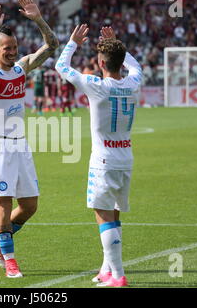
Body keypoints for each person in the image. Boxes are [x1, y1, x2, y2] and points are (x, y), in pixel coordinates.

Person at [0, 0, 58, 278]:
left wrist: (38, 19)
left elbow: (52, 46)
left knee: (30, 205)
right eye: (6, 48)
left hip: (21, 145)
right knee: (4, 202)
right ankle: (9, 259)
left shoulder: (22, 68)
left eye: (14, 48)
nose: (12, 52)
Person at [55, 25, 142, 287]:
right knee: (114, 214)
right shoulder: (134, 82)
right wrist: (117, 43)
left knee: (103, 215)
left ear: (101, 62)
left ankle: (118, 275)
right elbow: (135, 66)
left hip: (103, 161)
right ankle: (107, 270)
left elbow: (62, 66)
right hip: (126, 158)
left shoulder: (96, 85)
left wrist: (72, 43)